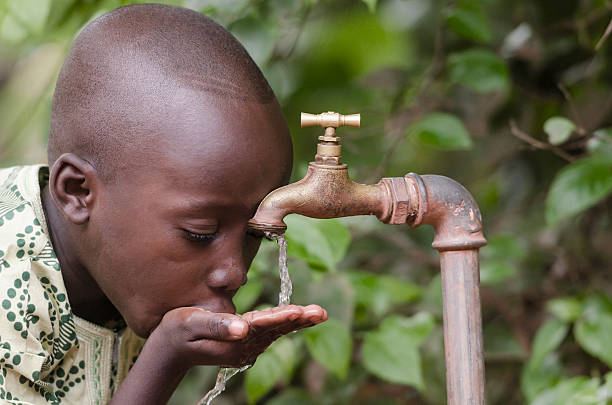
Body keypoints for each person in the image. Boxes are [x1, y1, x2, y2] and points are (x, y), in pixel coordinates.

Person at [0, 4, 327, 404]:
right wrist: (165, 359)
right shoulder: (8, 289)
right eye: (200, 233)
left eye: (254, 234)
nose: (235, 273)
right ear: (77, 192)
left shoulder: (113, 263)